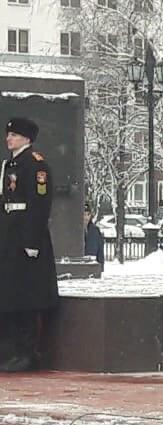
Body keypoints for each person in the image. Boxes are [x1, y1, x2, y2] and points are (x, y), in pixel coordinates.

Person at [0, 117, 58, 372]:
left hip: (25, 235)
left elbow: (39, 205)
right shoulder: (10, 164)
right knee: (9, 294)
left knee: (24, 295)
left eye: (14, 135)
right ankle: (10, 350)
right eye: (8, 134)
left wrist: (31, 241)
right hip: (9, 233)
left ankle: (26, 352)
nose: (8, 138)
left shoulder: (36, 165)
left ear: (26, 138)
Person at [83, 203, 105, 271]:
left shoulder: (95, 230)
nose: (86, 217)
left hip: (92, 265)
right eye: (84, 214)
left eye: (88, 214)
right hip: (80, 264)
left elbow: (100, 250)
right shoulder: (75, 230)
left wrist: (101, 267)